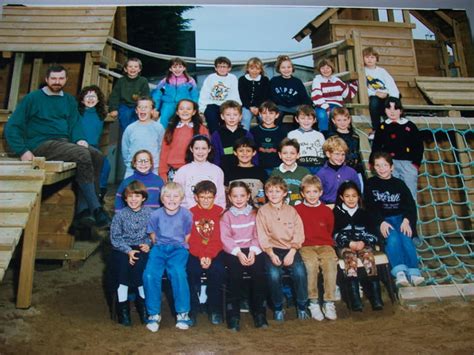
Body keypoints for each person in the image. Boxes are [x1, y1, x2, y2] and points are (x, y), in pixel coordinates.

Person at [5, 64, 110, 228]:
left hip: (64, 143)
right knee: (83, 154)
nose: (57, 81)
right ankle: (96, 209)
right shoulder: (32, 99)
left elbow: (75, 124)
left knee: (96, 155)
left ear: (66, 80)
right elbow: (12, 126)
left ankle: (83, 211)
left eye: (61, 78)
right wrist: (23, 150)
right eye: (53, 78)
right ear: (46, 79)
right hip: (41, 144)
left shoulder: (68, 100)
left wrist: (80, 138)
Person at [364, 151, 425, 287]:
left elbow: (410, 205)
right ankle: (399, 272)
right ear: (373, 167)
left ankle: (414, 272)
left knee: (406, 238)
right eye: (378, 165)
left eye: (385, 165)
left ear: (391, 167)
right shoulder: (370, 184)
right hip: (383, 220)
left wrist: (407, 220)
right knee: (393, 239)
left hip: (400, 219)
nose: (382, 169)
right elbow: (370, 206)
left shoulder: (399, 184)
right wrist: (380, 222)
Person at [256, 176, 308, 322]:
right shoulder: (263, 212)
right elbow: (262, 235)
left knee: (299, 272)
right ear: (266, 193)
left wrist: (292, 252)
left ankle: (302, 306)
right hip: (272, 250)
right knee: (273, 274)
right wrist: (271, 254)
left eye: (277, 191)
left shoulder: (292, 211)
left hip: (290, 249)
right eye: (270, 191)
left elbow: (299, 233)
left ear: (285, 193)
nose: (273, 194)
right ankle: (278, 307)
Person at [143, 182, 193, 332]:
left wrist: (180, 245)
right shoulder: (155, 214)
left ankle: (183, 313)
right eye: (168, 196)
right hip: (159, 248)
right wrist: (159, 245)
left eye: (176, 196)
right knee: (150, 274)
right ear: (162, 198)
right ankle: (153, 314)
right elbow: (152, 233)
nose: (171, 199)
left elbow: (188, 233)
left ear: (182, 198)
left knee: (178, 273)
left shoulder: (187, 214)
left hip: (178, 249)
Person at [221, 181, 268, 330]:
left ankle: (259, 313)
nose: (239, 199)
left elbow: (258, 234)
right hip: (234, 250)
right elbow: (225, 238)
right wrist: (239, 253)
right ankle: (233, 315)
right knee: (235, 275)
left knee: (259, 274)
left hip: (254, 248)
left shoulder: (256, 213)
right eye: (235, 196)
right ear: (229, 197)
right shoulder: (226, 216)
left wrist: (253, 251)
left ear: (248, 196)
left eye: (242, 195)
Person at [333, 181, 384, 312]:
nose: (351, 199)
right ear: (341, 197)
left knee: (368, 258)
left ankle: (376, 298)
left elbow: (373, 233)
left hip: (363, 245)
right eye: (347, 196)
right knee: (350, 259)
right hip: (346, 246)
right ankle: (355, 299)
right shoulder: (337, 213)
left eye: (354, 196)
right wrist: (349, 243)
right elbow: (334, 234)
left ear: (359, 197)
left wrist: (363, 241)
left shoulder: (364, 213)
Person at [295, 175, 338, 321]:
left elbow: (329, 228)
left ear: (320, 192)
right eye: (308, 192)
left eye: (315, 192)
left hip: (325, 244)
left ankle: (329, 301)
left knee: (330, 264)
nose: (312, 195)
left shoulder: (326, 210)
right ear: (302, 193)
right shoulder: (297, 210)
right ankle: (313, 302)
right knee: (311, 266)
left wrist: (325, 242)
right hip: (306, 245)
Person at [109, 180, 152, 326]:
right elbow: (115, 237)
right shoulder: (120, 215)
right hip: (123, 248)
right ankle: (123, 309)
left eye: (137, 196)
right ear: (125, 198)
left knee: (141, 266)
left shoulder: (149, 214)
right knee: (122, 266)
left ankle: (143, 307)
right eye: (130, 196)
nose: (133, 199)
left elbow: (152, 234)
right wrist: (128, 251)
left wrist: (148, 244)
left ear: (143, 198)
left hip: (140, 247)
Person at [187, 180, 225, 326]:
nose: (205, 200)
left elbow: (217, 238)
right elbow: (192, 240)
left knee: (218, 271)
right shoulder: (190, 213)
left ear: (214, 197)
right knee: (190, 270)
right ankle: (193, 308)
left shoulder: (219, 212)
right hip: (195, 252)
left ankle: (214, 308)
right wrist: (201, 255)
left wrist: (208, 255)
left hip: (214, 252)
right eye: (202, 197)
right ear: (196, 197)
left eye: (209, 197)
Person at [372, 97, 424, 200]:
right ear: (384, 110)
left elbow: (418, 146)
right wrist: (372, 162)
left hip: (408, 164)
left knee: (409, 195)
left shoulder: (409, 126)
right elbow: (376, 146)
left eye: (395, 109)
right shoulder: (382, 127)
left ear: (400, 111)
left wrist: (415, 164)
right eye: (389, 109)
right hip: (389, 165)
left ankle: (410, 215)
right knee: (391, 194)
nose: (392, 112)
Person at [158, 99, 209, 182]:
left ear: (194, 112)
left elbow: (207, 151)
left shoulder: (202, 130)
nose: (185, 111)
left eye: (188, 109)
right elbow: (164, 152)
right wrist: (162, 173)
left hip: (196, 170)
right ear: (177, 112)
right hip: (174, 171)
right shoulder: (170, 130)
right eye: (181, 109)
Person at [173, 135, 226, 209]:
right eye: (197, 148)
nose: (200, 152)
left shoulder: (217, 171)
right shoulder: (182, 171)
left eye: (204, 148)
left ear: (209, 149)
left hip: (212, 215)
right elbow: (177, 196)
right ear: (191, 149)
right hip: (188, 214)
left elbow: (221, 198)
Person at [78, 85, 110, 202]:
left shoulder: (100, 114)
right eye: (88, 96)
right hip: (81, 147)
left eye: (93, 96)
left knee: (106, 166)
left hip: (95, 147)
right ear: (82, 99)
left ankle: (100, 194)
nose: (90, 99)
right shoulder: (78, 114)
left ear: (98, 100)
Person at [121, 96, 164, 178]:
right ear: (136, 111)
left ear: (152, 111)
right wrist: (131, 164)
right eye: (140, 107)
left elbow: (161, 148)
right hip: (132, 170)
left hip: (153, 169)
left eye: (146, 107)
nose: (143, 109)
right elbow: (125, 149)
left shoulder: (158, 128)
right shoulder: (130, 128)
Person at [311, 58, 357, 134]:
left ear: (332, 69)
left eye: (328, 68)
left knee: (339, 116)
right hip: (322, 105)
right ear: (319, 69)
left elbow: (347, 93)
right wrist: (327, 108)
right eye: (323, 68)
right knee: (322, 115)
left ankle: (340, 133)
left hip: (336, 105)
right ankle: (324, 135)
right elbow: (317, 96)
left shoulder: (337, 80)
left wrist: (355, 83)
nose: (325, 70)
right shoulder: (317, 80)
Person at [210, 100, 256, 176]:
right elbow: (215, 156)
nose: (232, 118)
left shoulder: (246, 134)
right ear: (222, 116)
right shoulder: (216, 135)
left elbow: (253, 154)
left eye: (235, 115)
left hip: (243, 171)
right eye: (228, 115)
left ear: (240, 117)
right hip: (223, 171)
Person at [152, 57, 199, 129]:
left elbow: (194, 95)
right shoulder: (165, 81)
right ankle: (163, 135)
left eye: (180, 67)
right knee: (164, 117)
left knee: (187, 118)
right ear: (170, 69)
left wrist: (194, 106)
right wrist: (155, 108)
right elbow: (157, 95)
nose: (177, 69)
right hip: (168, 104)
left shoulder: (189, 81)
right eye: (174, 67)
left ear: (184, 68)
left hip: (184, 104)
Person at [363, 47, 400, 138]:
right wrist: (374, 93)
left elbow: (391, 84)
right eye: (367, 57)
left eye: (372, 57)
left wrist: (392, 96)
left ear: (376, 59)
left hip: (385, 95)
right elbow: (363, 87)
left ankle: (394, 128)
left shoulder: (382, 71)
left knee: (392, 105)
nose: (370, 59)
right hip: (374, 96)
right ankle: (376, 129)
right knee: (374, 103)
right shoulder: (363, 71)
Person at [199, 56, 241, 134]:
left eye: (224, 67)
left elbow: (234, 93)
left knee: (227, 123)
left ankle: (226, 142)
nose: (222, 69)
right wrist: (202, 109)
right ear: (215, 68)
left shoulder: (232, 78)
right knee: (212, 121)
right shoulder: (210, 78)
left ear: (229, 68)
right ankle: (215, 142)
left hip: (226, 105)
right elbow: (204, 93)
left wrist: (237, 106)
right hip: (212, 104)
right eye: (219, 67)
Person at [108, 57, 151, 133]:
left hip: (139, 106)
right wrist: (113, 109)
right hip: (124, 105)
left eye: (135, 67)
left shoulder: (143, 81)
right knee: (125, 118)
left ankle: (136, 140)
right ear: (125, 69)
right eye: (130, 66)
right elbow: (114, 96)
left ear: (139, 69)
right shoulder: (121, 81)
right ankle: (124, 141)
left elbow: (146, 96)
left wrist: (149, 108)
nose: (133, 69)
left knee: (138, 122)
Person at [316, 136, 360, 208]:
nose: (340, 157)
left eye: (343, 154)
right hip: (328, 207)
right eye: (337, 154)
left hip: (348, 206)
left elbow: (358, 193)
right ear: (328, 154)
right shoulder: (321, 174)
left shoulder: (352, 172)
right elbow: (317, 196)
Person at [327, 107, 365, 189]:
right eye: (339, 120)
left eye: (345, 120)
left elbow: (357, 153)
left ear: (349, 120)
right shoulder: (332, 137)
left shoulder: (355, 137)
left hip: (355, 170)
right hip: (338, 170)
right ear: (334, 121)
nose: (342, 123)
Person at [224, 137, 267, 207]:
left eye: (248, 151)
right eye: (241, 151)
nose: (244, 153)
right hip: (235, 213)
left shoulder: (261, 172)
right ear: (235, 152)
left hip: (257, 212)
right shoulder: (229, 172)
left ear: (254, 152)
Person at [269, 55, 311, 124]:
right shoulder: (274, 81)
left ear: (292, 68)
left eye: (289, 67)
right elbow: (270, 96)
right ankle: (276, 132)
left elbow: (304, 97)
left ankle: (299, 132)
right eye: (283, 67)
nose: (286, 70)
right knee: (276, 114)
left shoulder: (297, 82)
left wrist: (307, 107)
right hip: (280, 106)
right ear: (279, 69)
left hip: (295, 106)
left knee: (301, 114)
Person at [250, 101, 287, 175]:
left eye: (271, 113)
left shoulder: (282, 132)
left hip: (276, 167)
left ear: (277, 115)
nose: (267, 116)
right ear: (260, 114)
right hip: (259, 167)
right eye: (264, 113)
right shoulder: (254, 131)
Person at [270, 138, 310, 206]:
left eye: (292, 153)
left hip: (300, 210)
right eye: (285, 153)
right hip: (280, 210)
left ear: (298, 155)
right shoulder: (275, 173)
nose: (288, 156)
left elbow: (310, 192)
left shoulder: (305, 172)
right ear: (280, 155)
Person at [287, 105, 325, 174]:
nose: (306, 121)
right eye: (302, 118)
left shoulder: (319, 135)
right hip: (300, 166)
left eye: (309, 118)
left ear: (314, 120)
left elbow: (323, 152)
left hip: (317, 166)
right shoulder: (291, 135)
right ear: (297, 119)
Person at [238, 57, 271, 130]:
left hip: (261, 106)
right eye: (252, 68)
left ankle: (264, 137)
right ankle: (245, 139)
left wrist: (258, 107)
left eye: (257, 69)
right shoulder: (242, 79)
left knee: (265, 118)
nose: (254, 71)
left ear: (261, 70)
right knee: (245, 119)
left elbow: (265, 95)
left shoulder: (264, 80)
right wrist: (250, 107)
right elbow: (242, 96)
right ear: (247, 69)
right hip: (246, 106)